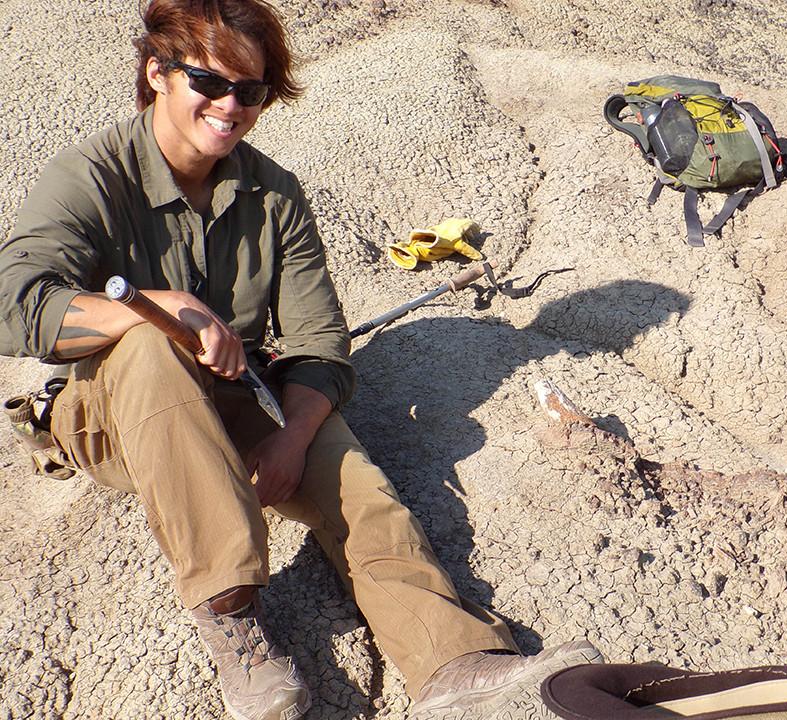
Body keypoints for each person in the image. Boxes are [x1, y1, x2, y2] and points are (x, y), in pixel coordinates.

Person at [0, 1, 601, 719]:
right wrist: (157, 307)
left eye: (250, 91)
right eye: (209, 83)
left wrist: (290, 438)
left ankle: (452, 656)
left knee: (346, 471)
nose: (230, 107)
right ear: (156, 72)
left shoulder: (274, 194)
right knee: (149, 342)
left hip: (232, 393)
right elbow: (14, 303)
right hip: (111, 414)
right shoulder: (91, 175)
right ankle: (231, 616)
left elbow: (320, 344)